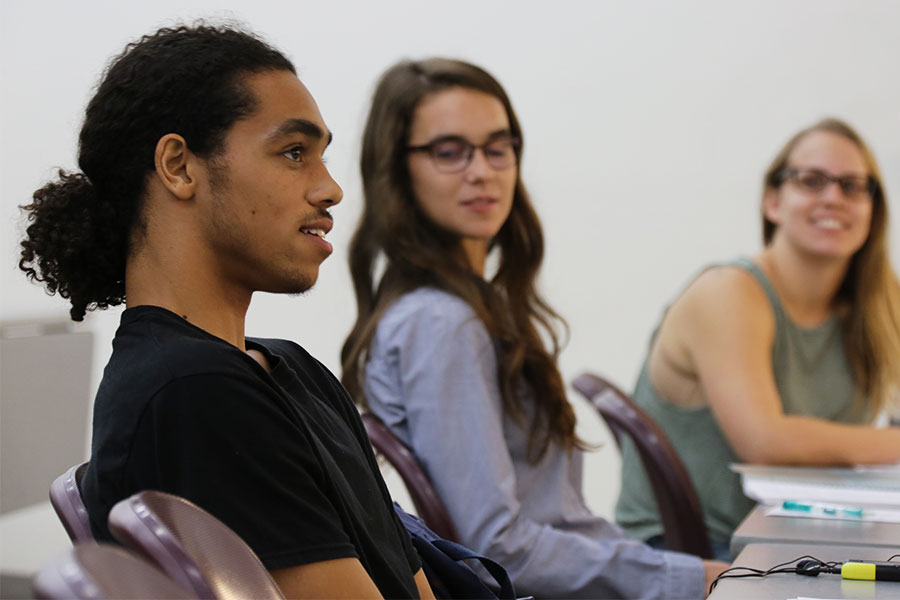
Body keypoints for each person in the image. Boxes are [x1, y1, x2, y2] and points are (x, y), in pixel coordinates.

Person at [18, 24, 435, 600]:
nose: (331, 188)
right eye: (294, 153)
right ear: (180, 166)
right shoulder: (195, 394)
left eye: (321, 156)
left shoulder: (289, 370)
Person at [341, 57, 728, 600]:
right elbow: (499, 548)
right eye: (449, 151)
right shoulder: (441, 322)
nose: (483, 171)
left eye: (498, 148)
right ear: (398, 170)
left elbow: (555, 524)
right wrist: (686, 578)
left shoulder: (470, 306)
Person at [616, 118, 900, 559]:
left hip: (804, 535)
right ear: (772, 201)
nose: (833, 197)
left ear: (872, 208)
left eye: (852, 185)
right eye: (812, 180)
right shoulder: (728, 292)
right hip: (697, 552)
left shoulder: (878, 304)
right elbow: (765, 442)